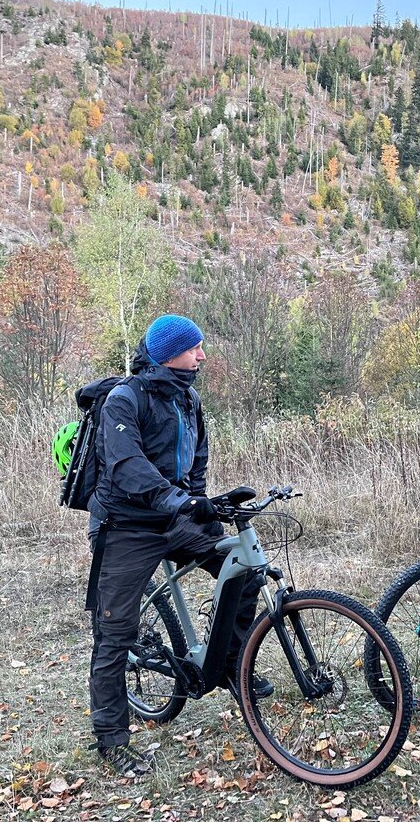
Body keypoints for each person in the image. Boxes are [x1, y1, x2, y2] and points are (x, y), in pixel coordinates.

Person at [86, 314, 266, 776]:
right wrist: (180, 501)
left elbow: (197, 455)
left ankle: (228, 665)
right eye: (195, 348)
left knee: (245, 568)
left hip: (175, 516)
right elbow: (127, 466)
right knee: (115, 631)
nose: (202, 355)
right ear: (169, 353)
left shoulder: (188, 397)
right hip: (126, 525)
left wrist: (197, 500)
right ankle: (111, 740)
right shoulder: (124, 400)